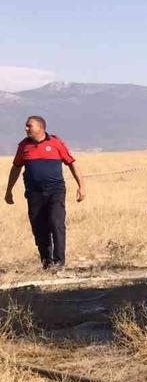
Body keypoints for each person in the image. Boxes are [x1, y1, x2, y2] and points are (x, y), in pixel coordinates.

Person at [4, 115, 86, 270]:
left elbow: (72, 163)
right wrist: (9, 190)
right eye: (26, 126)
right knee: (39, 227)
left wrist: (81, 186)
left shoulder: (55, 143)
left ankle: (59, 261)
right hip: (34, 193)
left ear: (40, 128)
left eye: (29, 126)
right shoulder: (24, 146)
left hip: (55, 191)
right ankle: (46, 262)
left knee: (56, 223)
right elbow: (16, 168)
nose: (26, 128)